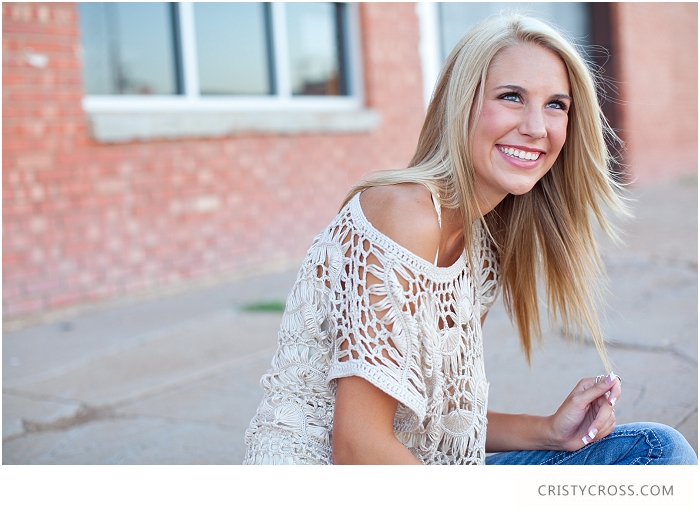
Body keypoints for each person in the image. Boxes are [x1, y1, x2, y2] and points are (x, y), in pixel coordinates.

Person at [243, 13, 697, 465]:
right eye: (511, 97)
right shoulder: (403, 215)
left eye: (556, 105)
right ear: (461, 104)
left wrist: (549, 431)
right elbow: (359, 449)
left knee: (655, 451)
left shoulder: (481, 242)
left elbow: (441, 422)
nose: (537, 127)